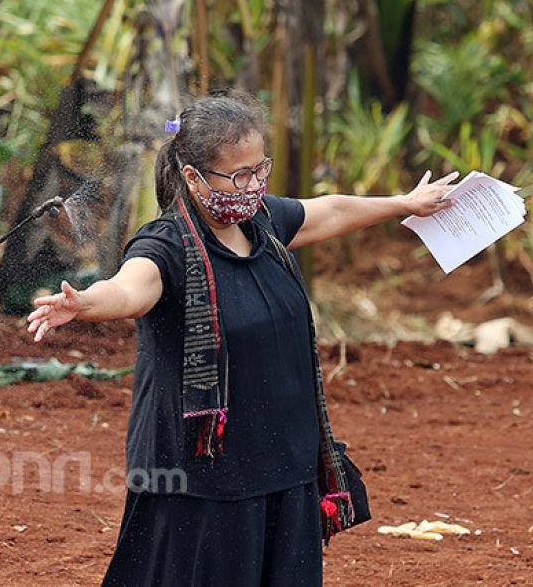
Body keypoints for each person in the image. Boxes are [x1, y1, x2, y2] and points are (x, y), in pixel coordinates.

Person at [26, 91, 457, 586]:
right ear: (192, 177)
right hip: (205, 477)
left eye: (259, 170)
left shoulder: (265, 224)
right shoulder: (165, 246)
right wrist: (84, 304)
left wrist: (405, 204)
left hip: (283, 460)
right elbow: (129, 289)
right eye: (238, 176)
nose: (252, 185)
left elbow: (331, 211)